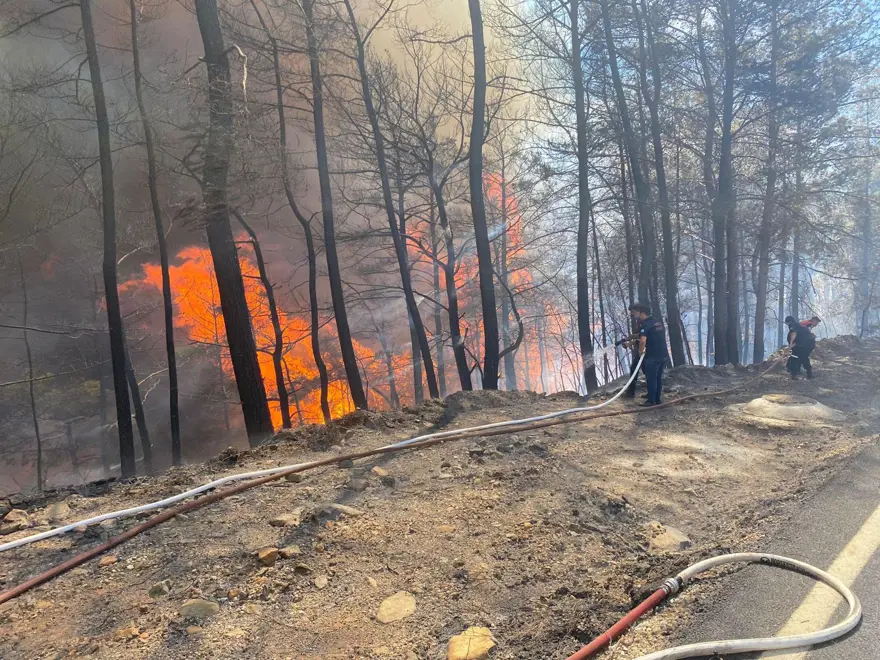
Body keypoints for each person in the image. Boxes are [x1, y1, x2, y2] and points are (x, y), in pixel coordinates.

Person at [629, 302, 669, 406]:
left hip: (652, 357)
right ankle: (657, 399)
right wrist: (632, 340)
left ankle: (651, 401)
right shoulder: (657, 323)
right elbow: (652, 337)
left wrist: (641, 351)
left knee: (651, 378)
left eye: (634, 313)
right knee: (658, 378)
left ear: (640, 312)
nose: (634, 315)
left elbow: (643, 341)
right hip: (663, 355)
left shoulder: (645, 325)